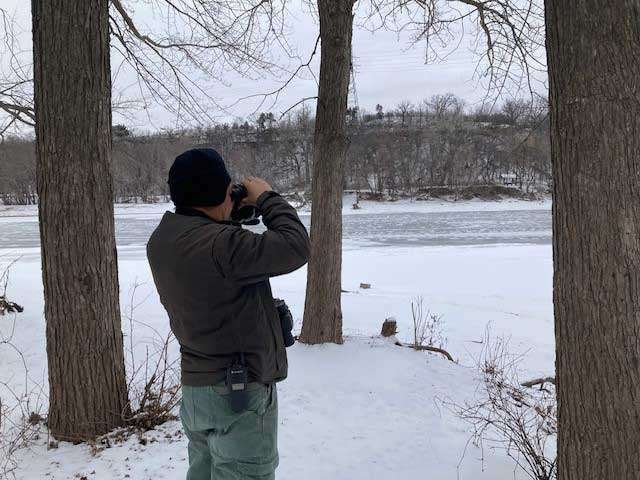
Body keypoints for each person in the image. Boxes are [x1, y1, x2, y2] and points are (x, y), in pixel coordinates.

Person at [146, 148, 310, 480]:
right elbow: (295, 246)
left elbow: (209, 236)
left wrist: (229, 207)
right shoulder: (224, 247)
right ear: (217, 192)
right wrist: (267, 198)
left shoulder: (162, 240)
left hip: (197, 392)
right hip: (238, 395)